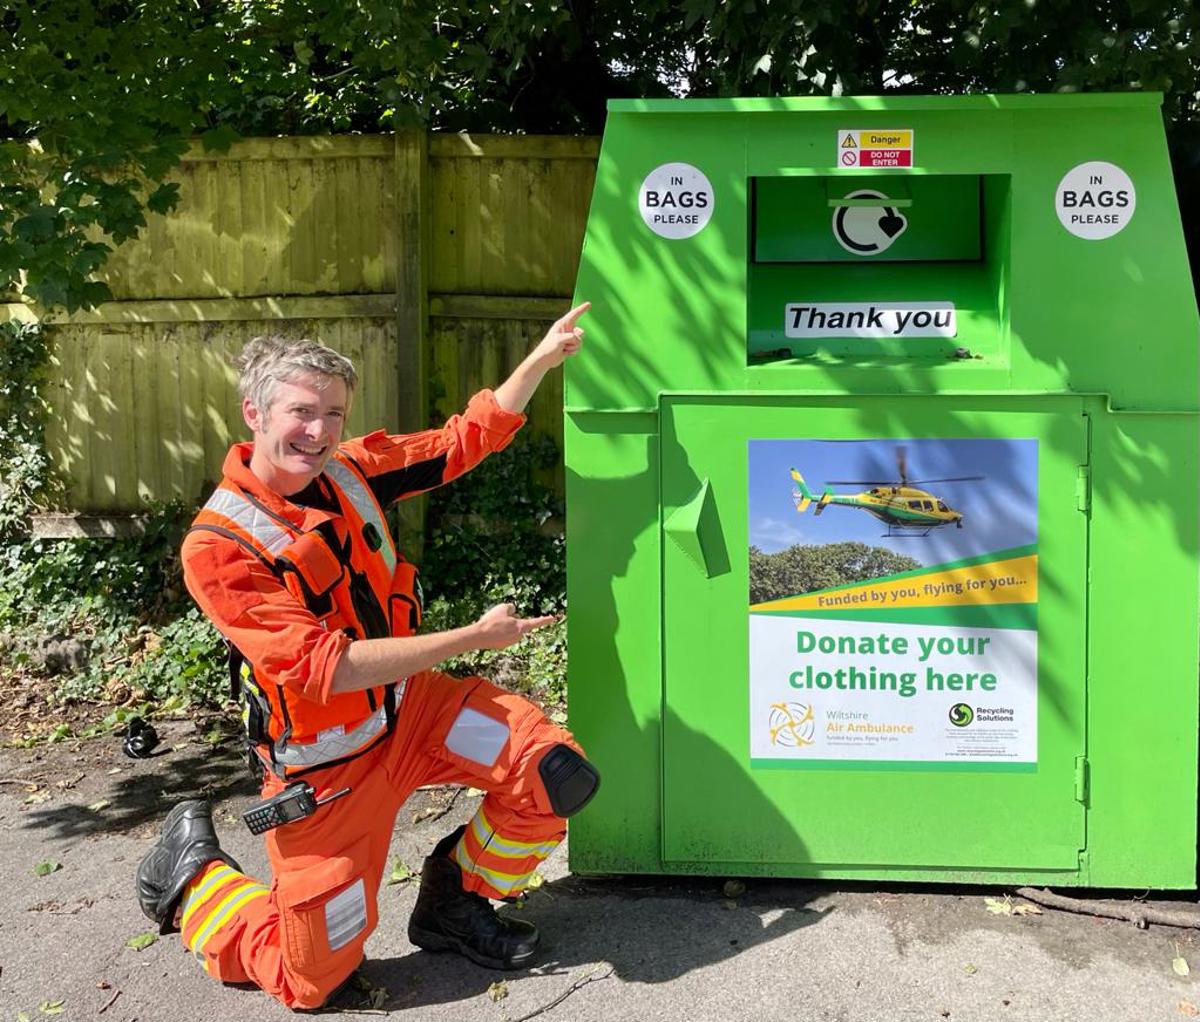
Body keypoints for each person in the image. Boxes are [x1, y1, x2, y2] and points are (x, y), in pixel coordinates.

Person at [134, 304, 599, 1010]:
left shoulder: (350, 471)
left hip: (412, 712)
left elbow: (460, 441)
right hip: (328, 768)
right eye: (300, 412)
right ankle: (195, 879)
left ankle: (456, 901)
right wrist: (473, 637)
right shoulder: (218, 548)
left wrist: (539, 360)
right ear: (253, 412)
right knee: (312, 979)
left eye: (333, 414)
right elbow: (331, 668)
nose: (318, 432)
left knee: (553, 775)